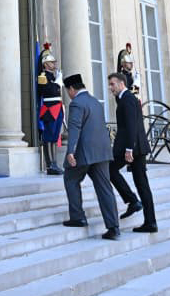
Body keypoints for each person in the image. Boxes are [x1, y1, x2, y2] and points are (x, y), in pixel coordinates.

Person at [61, 74, 120, 240]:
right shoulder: (95, 101)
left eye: (68, 91)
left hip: (83, 153)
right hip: (101, 152)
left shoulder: (76, 104)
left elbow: (74, 128)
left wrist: (70, 151)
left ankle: (78, 217)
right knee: (105, 189)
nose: (69, 94)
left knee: (70, 179)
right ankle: (114, 227)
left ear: (71, 89)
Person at [107, 72, 155, 233]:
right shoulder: (126, 98)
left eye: (112, 84)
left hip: (132, 148)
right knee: (142, 184)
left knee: (111, 170)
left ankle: (133, 201)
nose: (110, 88)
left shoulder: (127, 99)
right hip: (137, 147)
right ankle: (149, 220)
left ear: (121, 84)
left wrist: (129, 149)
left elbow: (131, 125)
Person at [36, 43, 63, 175]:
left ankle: (55, 163)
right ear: (45, 64)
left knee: (55, 136)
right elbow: (47, 91)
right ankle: (49, 165)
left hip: (57, 108)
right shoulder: (43, 77)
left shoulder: (53, 76)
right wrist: (57, 82)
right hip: (49, 109)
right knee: (48, 136)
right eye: (51, 62)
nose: (54, 64)